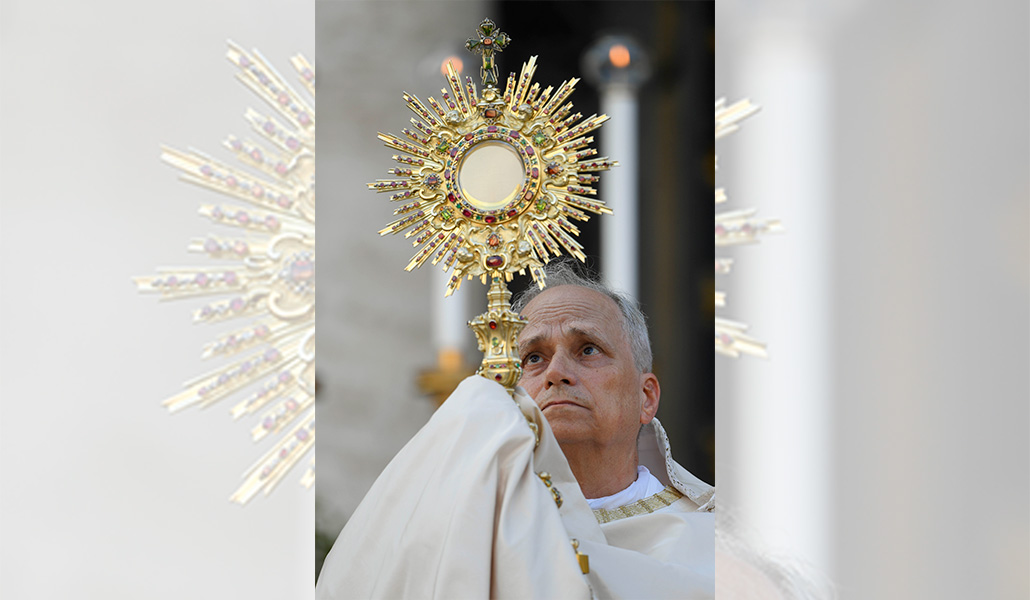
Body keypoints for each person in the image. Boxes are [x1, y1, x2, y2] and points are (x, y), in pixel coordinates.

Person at [316, 261, 715, 599]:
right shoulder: (459, 530)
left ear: (646, 397)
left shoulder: (719, 547)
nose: (557, 373)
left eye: (588, 349)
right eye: (533, 357)